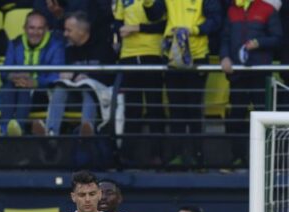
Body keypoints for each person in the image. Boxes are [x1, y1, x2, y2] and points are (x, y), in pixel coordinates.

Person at [220, 0, 282, 166]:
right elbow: (225, 38)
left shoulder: (267, 9)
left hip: (260, 73)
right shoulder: (232, 10)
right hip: (237, 74)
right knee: (236, 118)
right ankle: (238, 158)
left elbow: (278, 38)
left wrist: (259, 43)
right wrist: (224, 57)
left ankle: (267, 161)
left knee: (264, 117)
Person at [0, 10, 64, 137]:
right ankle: (10, 129)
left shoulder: (56, 46)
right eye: (31, 28)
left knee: (22, 89)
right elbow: (4, 73)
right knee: (13, 86)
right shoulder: (15, 43)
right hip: (12, 91)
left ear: (47, 29)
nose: (35, 32)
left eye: (40, 29)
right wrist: (14, 76)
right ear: (24, 29)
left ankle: (9, 129)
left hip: (41, 94)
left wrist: (35, 82)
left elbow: (56, 76)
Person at [162, 0, 222, 166]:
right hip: (173, 56)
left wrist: (194, 30)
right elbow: (155, 15)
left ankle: (197, 156)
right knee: (176, 109)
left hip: (197, 57)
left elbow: (216, 21)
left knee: (193, 108)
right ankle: (176, 155)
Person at [41, 11, 116, 138]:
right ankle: (51, 133)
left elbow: (111, 77)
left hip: (98, 98)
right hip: (74, 98)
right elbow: (67, 75)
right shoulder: (69, 49)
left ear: (81, 32)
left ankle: (86, 134)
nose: (65, 34)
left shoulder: (103, 48)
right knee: (59, 89)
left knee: (88, 89)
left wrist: (91, 78)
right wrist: (68, 75)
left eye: (68, 30)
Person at [113, 0, 167, 165]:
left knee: (154, 106)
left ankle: (157, 155)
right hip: (127, 56)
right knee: (132, 109)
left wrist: (137, 28)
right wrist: (118, 33)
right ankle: (126, 156)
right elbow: (117, 23)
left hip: (152, 53)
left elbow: (163, 24)